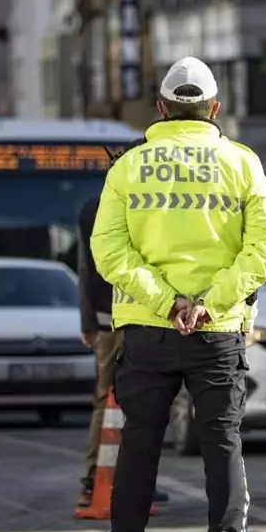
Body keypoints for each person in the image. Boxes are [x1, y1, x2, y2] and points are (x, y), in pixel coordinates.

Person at [91, 56, 266, 532]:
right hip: (216, 332)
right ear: (215, 110)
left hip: (149, 332)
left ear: (161, 109)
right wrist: (208, 302)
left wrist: (165, 300)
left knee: (139, 447)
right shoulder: (241, 163)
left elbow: (108, 249)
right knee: (222, 444)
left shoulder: (129, 167)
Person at [77, 178, 171, 509]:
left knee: (107, 399)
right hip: (142, 314)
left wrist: (87, 319)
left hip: (107, 317)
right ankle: (125, 481)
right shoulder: (147, 202)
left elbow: (85, 268)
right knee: (144, 400)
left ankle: (94, 480)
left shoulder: (92, 208)